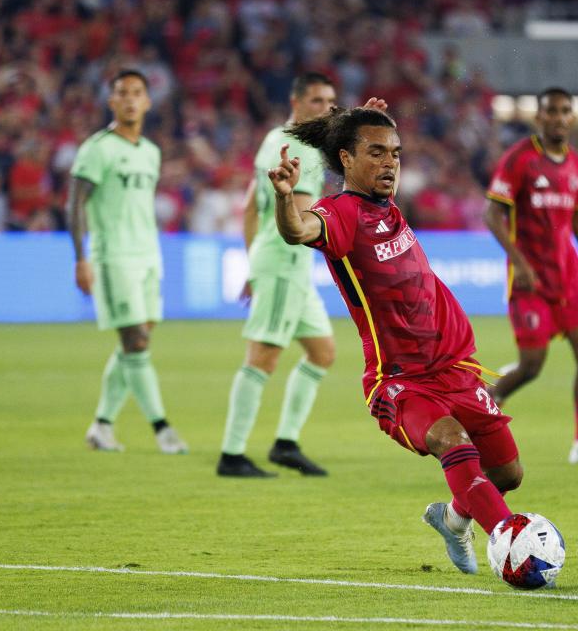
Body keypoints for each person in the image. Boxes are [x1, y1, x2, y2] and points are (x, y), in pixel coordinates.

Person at [270, 106, 523, 575]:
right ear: (346, 160)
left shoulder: (384, 206)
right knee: (452, 441)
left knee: (508, 473)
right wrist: (286, 198)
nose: (389, 164)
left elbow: (359, 141)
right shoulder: (339, 213)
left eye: (395, 154)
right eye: (376, 154)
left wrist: (362, 117)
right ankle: (513, 546)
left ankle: (451, 519)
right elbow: (299, 230)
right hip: (401, 381)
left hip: (456, 367)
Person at [216, 72, 338, 478]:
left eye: (330, 102)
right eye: (317, 101)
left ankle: (286, 444)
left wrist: (254, 264)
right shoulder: (301, 150)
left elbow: (251, 207)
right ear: (296, 101)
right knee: (263, 358)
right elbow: (301, 220)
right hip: (286, 261)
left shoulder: (273, 140)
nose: (325, 109)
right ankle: (232, 455)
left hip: (283, 264)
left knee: (322, 352)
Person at [483, 87, 578, 465]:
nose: (557, 117)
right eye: (550, 111)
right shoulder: (520, 159)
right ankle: (489, 398)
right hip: (530, 279)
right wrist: (518, 262)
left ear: (572, 117)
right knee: (532, 365)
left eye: (565, 110)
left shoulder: (577, 164)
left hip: (569, 274)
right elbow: (492, 214)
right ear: (539, 118)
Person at [67, 69, 187, 454]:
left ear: (148, 101)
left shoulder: (150, 152)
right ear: (111, 101)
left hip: (148, 254)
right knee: (135, 342)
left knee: (137, 340)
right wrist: (81, 259)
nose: (131, 99)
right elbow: (74, 204)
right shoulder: (97, 148)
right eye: (122, 93)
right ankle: (162, 428)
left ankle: (101, 426)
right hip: (113, 255)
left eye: (137, 93)